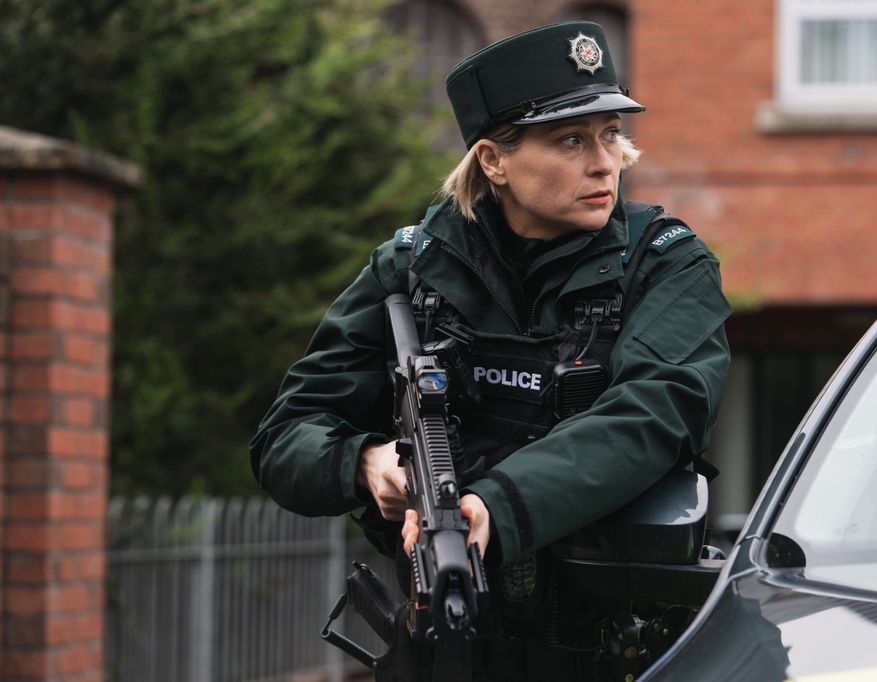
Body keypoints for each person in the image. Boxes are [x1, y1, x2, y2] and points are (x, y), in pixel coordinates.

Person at [251, 20, 731, 681]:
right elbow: (284, 437)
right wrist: (368, 464)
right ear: (493, 160)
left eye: (611, 135)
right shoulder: (409, 269)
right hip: (447, 650)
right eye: (571, 140)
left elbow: (653, 414)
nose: (605, 161)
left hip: (616, 652)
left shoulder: (666, 264)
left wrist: (490, 510)